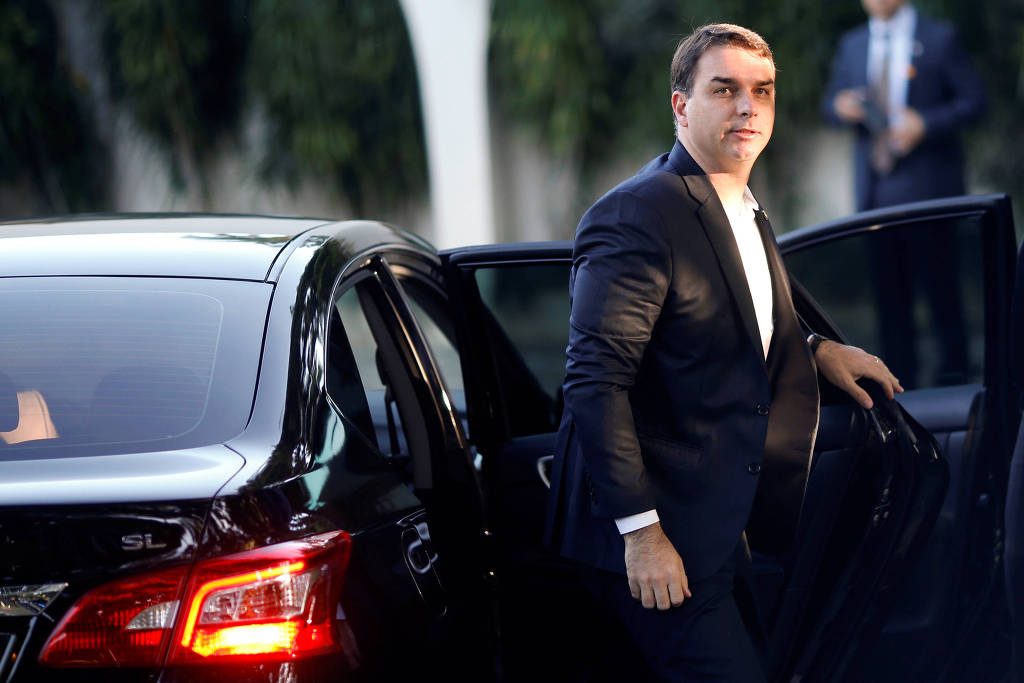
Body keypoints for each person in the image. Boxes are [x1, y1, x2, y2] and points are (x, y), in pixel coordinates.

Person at [544, 23, 903, 682]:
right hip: (654, 533)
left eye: (762, 91)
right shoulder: (637, 215)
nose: (747, 107)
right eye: (725, 89)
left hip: (716, 526)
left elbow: (718, 322)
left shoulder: (740, 203)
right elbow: (595, 383)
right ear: (681, 105)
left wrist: (815, 348)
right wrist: (642, 533)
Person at [823, 0, 986, 387]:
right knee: (890, 306)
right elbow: (828, 104)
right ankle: (898, 389)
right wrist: (841, 107)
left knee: (943, 296)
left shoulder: (939, 38)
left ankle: (957, 384)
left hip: (929, 194)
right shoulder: (852, 43)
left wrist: (925, 124)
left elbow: (975, 102)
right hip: (875, 196)